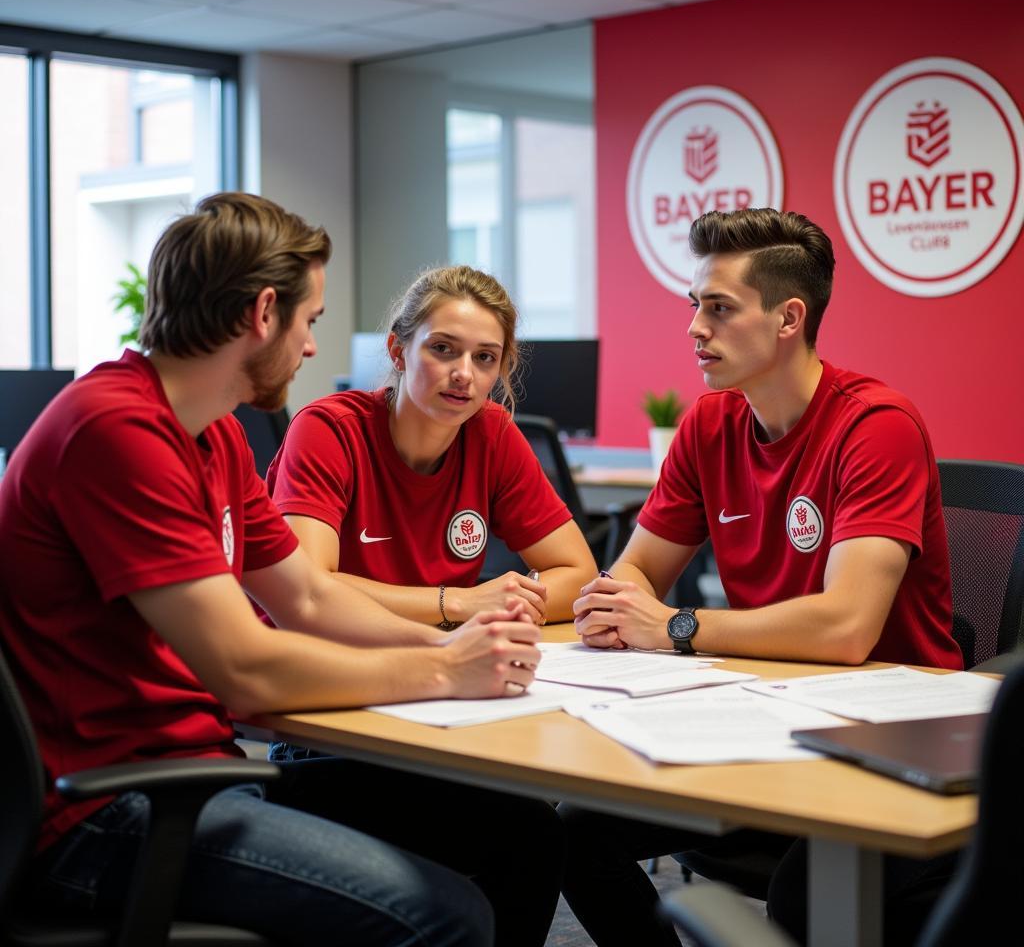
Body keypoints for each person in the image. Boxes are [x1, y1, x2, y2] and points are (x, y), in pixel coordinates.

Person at [0, 193, 565, 947]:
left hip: (202, 771)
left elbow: (304, 594)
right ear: (266, 312)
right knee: (444, 917)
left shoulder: (215, 437)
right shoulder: (116, 430)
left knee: (520, 836)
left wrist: (446, 647)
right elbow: (246, 670)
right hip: (105, 810)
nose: (309, 348)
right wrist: (443, 673)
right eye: (312, 322)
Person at [560, 207, 962, 945]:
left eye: (719, 309)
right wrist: (617, 607)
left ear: (788, 319)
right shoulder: (709, 425)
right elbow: (634, 576)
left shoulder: (877, 427)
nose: (693, 328)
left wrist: (675, 625)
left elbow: (845, 629)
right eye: (694, 306)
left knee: (805, 898)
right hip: (764, 721)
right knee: (571, 828)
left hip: (892, 745)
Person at [266, 264, 596, 630]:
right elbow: (308, 590)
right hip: (315, 659)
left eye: (485, 357)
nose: (464, 374)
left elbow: (578, 575)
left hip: (435, 653)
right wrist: (459, 601)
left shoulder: (492, 433)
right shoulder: (328, 430)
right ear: (397, 350)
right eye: (443, 349)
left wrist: (505, 603)